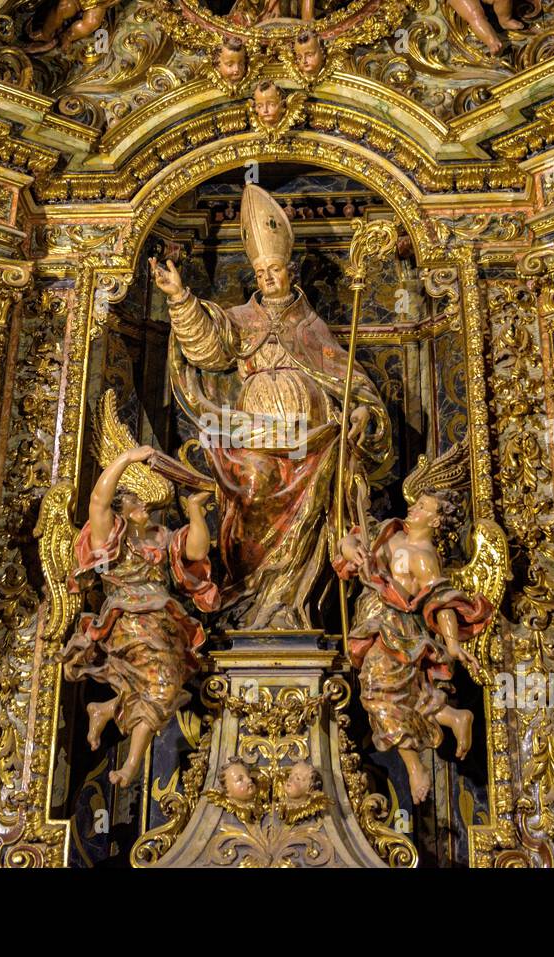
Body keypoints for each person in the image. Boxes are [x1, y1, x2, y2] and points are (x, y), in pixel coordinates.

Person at [152, 183, 392, 629]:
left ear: (290, 272)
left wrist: (360, 411)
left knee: (314, 507)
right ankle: (252, 599)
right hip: (255, 433)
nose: (267, 277)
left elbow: (348, 378)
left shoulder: (312, 326)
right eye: (260, 271)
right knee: (252, 494)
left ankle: (290, 606)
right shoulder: (241, 320)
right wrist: (180, 297)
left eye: (275, 269)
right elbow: (206, 348)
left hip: (311, 436)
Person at [61, 445, 220, 786]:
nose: (144, 504)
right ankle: (132, 764)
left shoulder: (161, 537)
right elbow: (98, 501)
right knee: (163, 687)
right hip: (130, 620)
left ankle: (106, 709)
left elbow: (196, 550)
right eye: (136, 501)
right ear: (123, 509)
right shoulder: (111, 539)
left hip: (166, 623)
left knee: (159, 684)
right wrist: (126, 459)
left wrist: (195, 510)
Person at [335, 491, 492, 804]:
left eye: (422, 507)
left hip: (395, 631)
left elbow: (441, 600)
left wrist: (451, 642)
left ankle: (414, 766)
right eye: (416, 503)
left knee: (378, 695)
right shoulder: (389, 532)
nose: (413, 508)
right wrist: (352, 551)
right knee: (405, 697)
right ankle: (452, 717)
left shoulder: (422, 555)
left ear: (434, 521)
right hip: (372, 623)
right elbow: (347, 539)